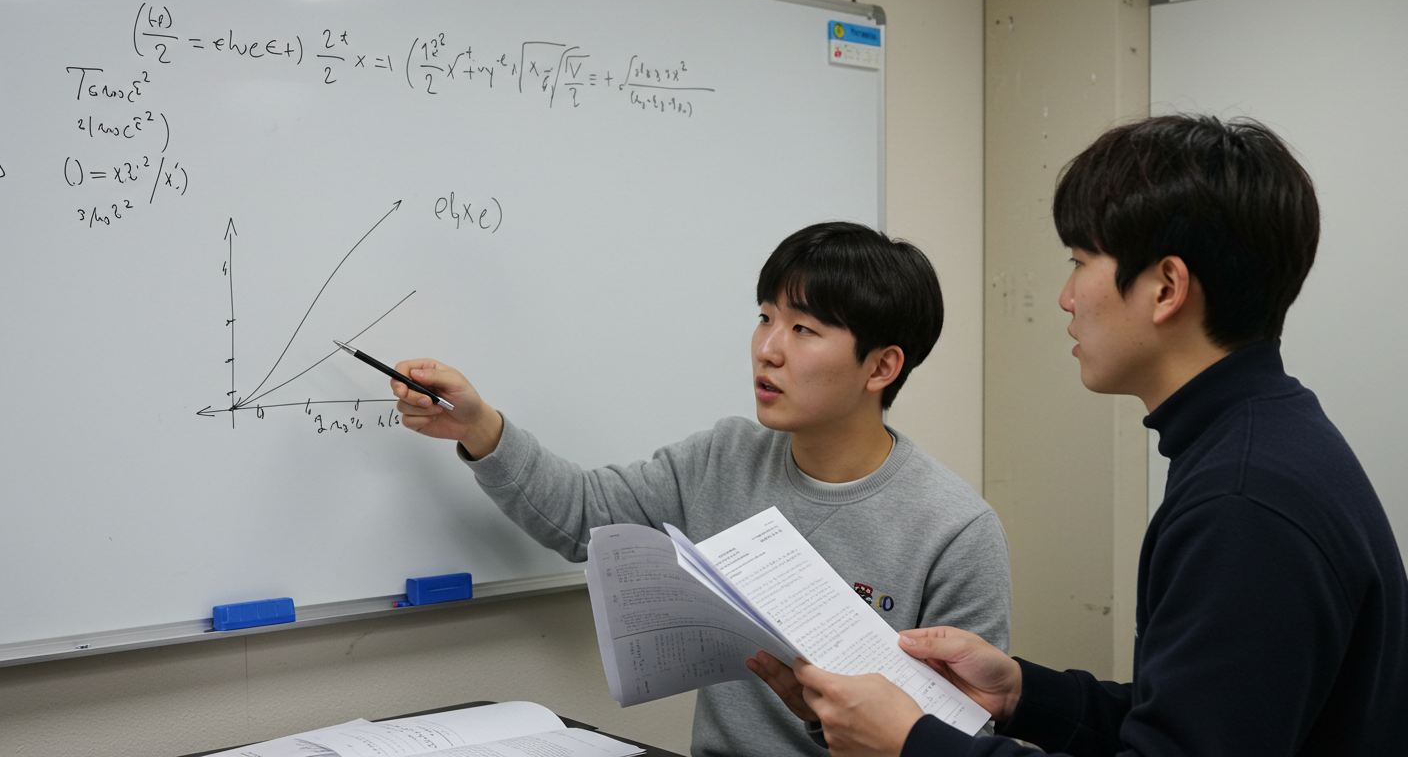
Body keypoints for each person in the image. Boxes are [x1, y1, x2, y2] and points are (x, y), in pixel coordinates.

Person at [751, 115, 1408, 756]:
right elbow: (1189, 719)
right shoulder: (1267, 440)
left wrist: (911, 742)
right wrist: (1021, 693)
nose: (1066, 297)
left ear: (1166, 288)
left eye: (1081, 261)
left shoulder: (1242, 502)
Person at [390, 221, 1013, 757]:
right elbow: (586, 518)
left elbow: (958, 736)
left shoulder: (955, 530)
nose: (767, 349)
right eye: (765, 317)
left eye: (803, 329)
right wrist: (480, 428)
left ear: (881, 366)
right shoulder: (725, 456)